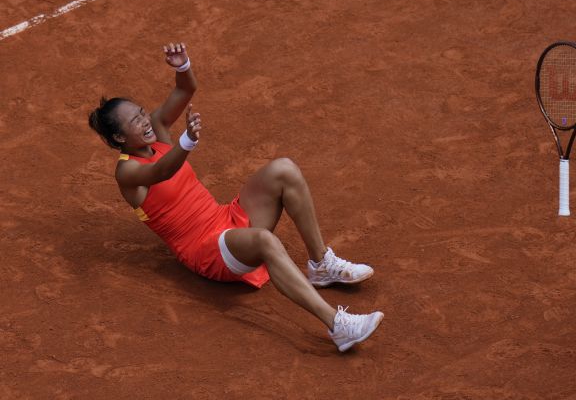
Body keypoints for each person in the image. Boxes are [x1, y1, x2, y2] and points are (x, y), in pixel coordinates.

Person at [87, 42, 383, 352]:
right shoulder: (127, 173)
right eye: (134, 121)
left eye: (141, 112)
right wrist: (186, 141)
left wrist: (182, 65)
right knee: (265, 242)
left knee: (284, 169)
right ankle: (338, 326)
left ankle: (321, 263)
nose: (145, 121)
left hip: (224, 219)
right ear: (119, 138)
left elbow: (185, 90)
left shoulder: (157, 131)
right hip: (204, 250)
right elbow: (161, 171)